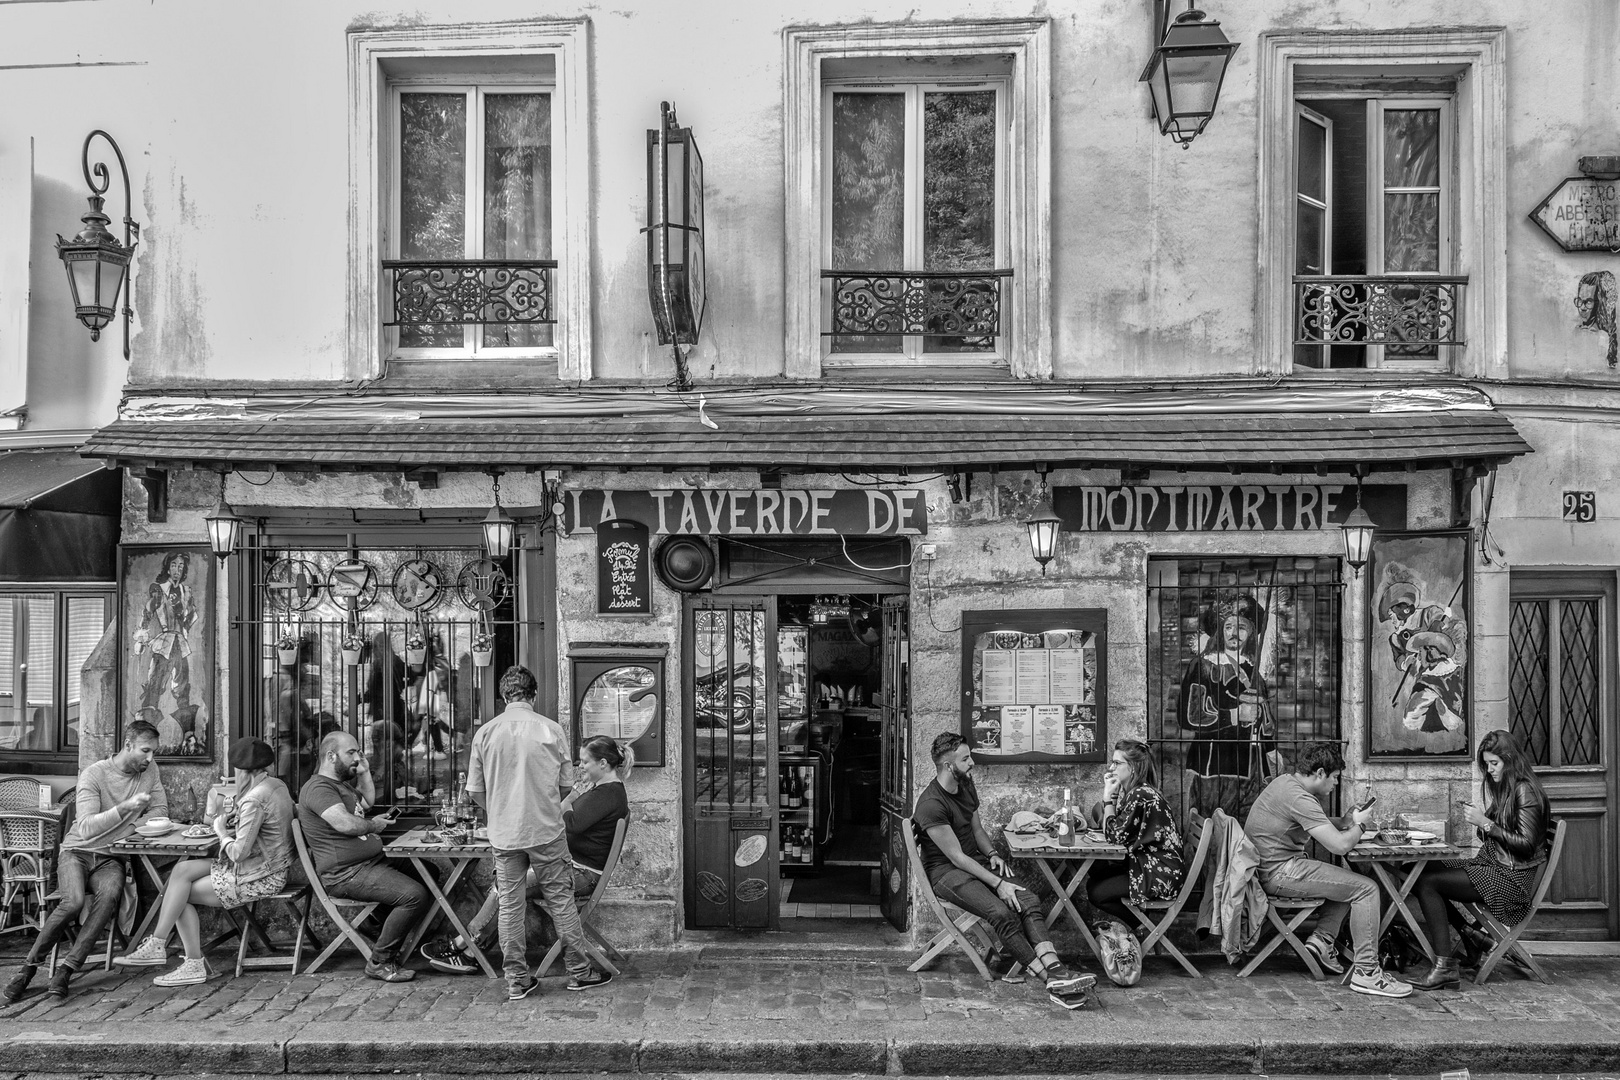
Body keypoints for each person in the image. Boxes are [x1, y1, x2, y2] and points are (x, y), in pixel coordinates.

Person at [423, 734, 631, 975]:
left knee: (507, 885)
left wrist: (570, 797)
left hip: (581, 875)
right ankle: (469, 950)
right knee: (506, 883)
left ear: (603, 763)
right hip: (573, 868)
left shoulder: (607, 794)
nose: (580, 766)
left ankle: (464, 945)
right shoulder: (604, 791)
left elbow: (569, 822)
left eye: (585, 761)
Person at [913, 731, 1094, 1009]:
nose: (972, 762)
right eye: (965, 759)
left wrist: (993, 853)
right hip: (946, 873)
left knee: (1029, 900)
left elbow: (976, 829)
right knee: (1001, 912)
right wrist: (998, 885)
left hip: (976, 861)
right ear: (949, 766)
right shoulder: (930, 805)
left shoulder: (965, 785)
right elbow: (957, 858)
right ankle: (1051, 980)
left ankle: (1056, 969)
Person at [466, 666, 610, 1000]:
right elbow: (564, 785)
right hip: (545, 830)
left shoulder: (485, 733)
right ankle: (579, 971)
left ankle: (517, 979)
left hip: (505, 833)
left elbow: (475, 790)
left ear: (504, 697)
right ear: (534, 694)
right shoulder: (550, 729)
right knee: (561, 901)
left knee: (510, 906)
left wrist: (500, 809)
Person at [2, 722, 167, 1003]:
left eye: (153, 752)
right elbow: (88, 827)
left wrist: (128, 828)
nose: (150, 758)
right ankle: (28, 969)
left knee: (110, 896)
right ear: (128, 745)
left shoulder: (149, 771)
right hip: (77, 852)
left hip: (110, 858)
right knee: (73, 902)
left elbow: (161, 809)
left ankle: (66, 970)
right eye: (145, 750)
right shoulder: (94, 774)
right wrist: (123, 810)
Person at [113, 737, 294, 985]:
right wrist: (236, 820)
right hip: (268, 864)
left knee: (178, 895)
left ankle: (193, 963)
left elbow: (238, 853)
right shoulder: (277, 785)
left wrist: (220, 830)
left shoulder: (254, 798)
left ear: (242, 771)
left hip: (260, 876)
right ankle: (158, 944)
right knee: (181, 871)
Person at [1244, 741, 1411, 998]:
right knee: (1366, 889)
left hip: (1269, 868)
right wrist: (1361, 826)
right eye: (1334, 778)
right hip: (1278, 874)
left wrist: (1345, 821)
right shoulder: (1300, 798)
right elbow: (1340, 846)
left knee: (1348, 882)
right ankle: (1367, 972)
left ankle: (1322, 940)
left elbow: (1312, 822)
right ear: (1320, 773)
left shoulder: (1286, 783)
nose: (1335, 784)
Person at [1410, 729, 1552, 991]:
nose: (1490, 770)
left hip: (1510, 880)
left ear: (1511, 760)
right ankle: (1471, 935)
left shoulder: (1526, 791)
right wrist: (1482, 822)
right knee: (1417, 870)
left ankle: (1445, 968)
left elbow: (1526, 845)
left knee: (1429, 883)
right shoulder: (1506, 789)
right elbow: (1497, 832)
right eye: (1486, 764)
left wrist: (1486, 824)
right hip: (1492, 866)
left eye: (1494, 764)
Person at [297, 730, 427, 982]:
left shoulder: (341, 786)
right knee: (414, 895)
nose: (357, 757)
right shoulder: (318, 788)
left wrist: (364, 771)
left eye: (358, 751)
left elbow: (366, 802)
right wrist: (373, 826)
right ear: (331, 756)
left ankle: (374, 924)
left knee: (429, 873)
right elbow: (345, 824)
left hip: (369, 862)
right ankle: (380, 961)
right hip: (346, 873)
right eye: (351, 753)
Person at [1089, 739, 1186, 937]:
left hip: (1160, 874)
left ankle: (1144, 929)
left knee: (1097, 892)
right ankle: (1143, 927)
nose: (1111, 768)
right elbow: (1117, 830)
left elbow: (1114, 835)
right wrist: (1112, 800)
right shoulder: (1136, 792)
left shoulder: (1141, 795)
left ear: (1132, 767)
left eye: (1117, 763)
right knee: (1096, 873)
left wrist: (1108, 797)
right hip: (1148, 865)